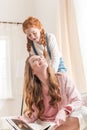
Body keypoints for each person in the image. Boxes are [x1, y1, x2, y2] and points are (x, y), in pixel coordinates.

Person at [21, 54, 87, 130]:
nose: (40, 59)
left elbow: (78, 100)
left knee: (85, 112)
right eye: (34, 60)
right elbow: (34, 115)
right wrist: (23, 119)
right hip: (47, 124)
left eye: (40, 57)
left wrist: (64, 111)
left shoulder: (62, 79)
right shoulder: (34, 90)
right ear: (32, 71)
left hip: (65, 120)